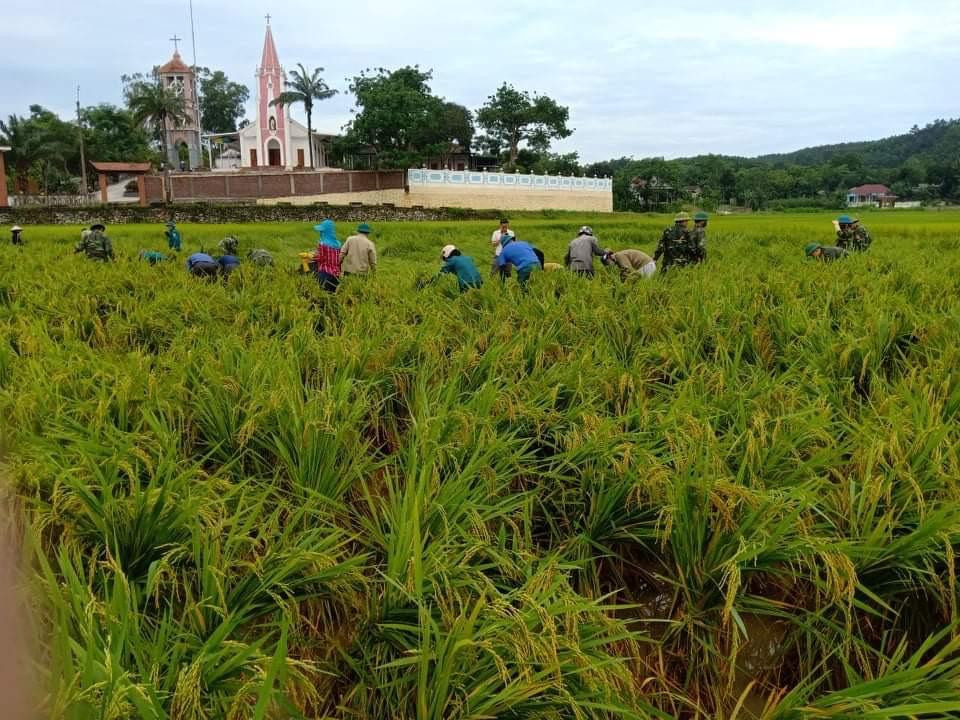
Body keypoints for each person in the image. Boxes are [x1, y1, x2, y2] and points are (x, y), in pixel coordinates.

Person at [313, 219, 341, 292]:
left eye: (321, 231)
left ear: (324, 232)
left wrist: (312, 256)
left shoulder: (322, 243)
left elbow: (321, 258)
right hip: (336, 274)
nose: (320, 232)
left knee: (322, 293)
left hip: (325, 273)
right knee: (332, 294)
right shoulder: (338, 244)